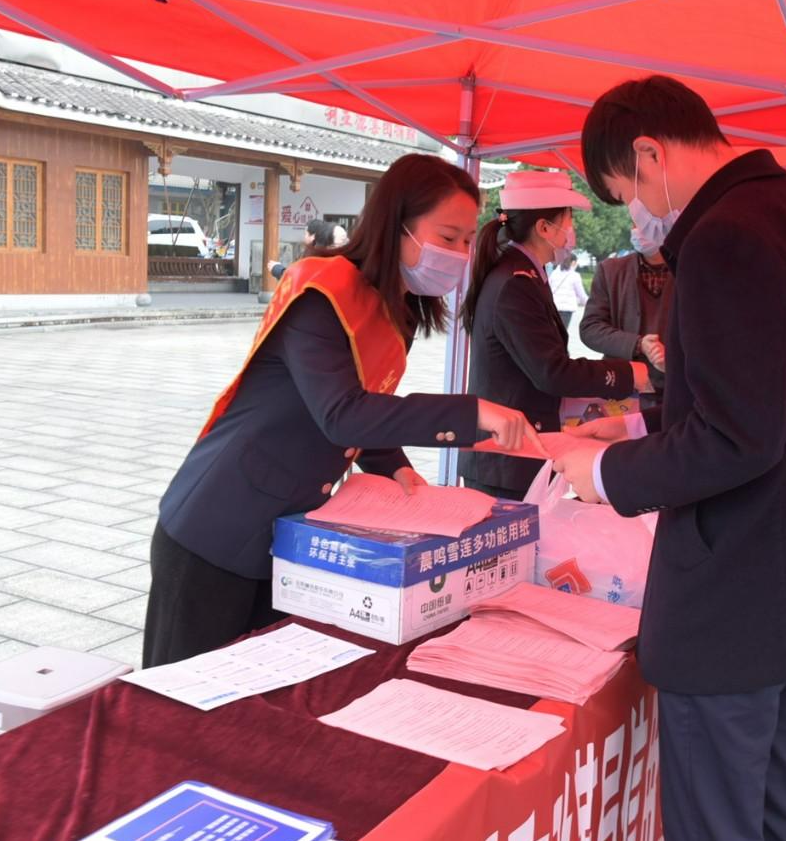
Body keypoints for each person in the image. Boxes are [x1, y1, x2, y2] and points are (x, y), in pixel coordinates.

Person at [554, 75, 786, 841]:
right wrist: (635, 429)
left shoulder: (730, 236)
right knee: (775, 801)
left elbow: (741, 434)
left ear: (650, 155)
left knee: (718, 833)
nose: (636, 219)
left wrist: (606, 477)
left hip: (739, 597)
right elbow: (771, 395)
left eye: (626, 195)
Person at [145, 155, 539, 667]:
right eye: (447, 237)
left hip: (289, 536)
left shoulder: (395, 309)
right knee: (176, 702)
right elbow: (342, 413)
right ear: (395, 224)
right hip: (217, 528)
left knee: (251, 702)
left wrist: (394, 467)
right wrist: (473, 413)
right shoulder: (322, 290)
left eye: (468, 240)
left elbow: (365, 409)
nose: (461, 255)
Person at [458, 170, 648, 500]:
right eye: (568, 221)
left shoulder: (525, 274)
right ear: (544, 228)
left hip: (518, 453)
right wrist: (629, 373)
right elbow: (553, 372)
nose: (572, 233)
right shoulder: (515, 283)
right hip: (506, 461)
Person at [580, 214, 674, 408]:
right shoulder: (611, 271)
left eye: (646, 224)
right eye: (635, 223)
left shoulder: (689, 270)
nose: (638, 229)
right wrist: (638, 344)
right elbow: (590, 328)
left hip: (674, 390)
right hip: (623, 389)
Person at [547, 254, 588, 326]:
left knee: (554, 332)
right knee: (562, 334)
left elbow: (548, 290)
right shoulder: (575, 276)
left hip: (554, 307)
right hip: (566, 309)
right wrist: (590, 304)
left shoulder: (554, 273)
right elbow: (581, 295)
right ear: (573, 263)